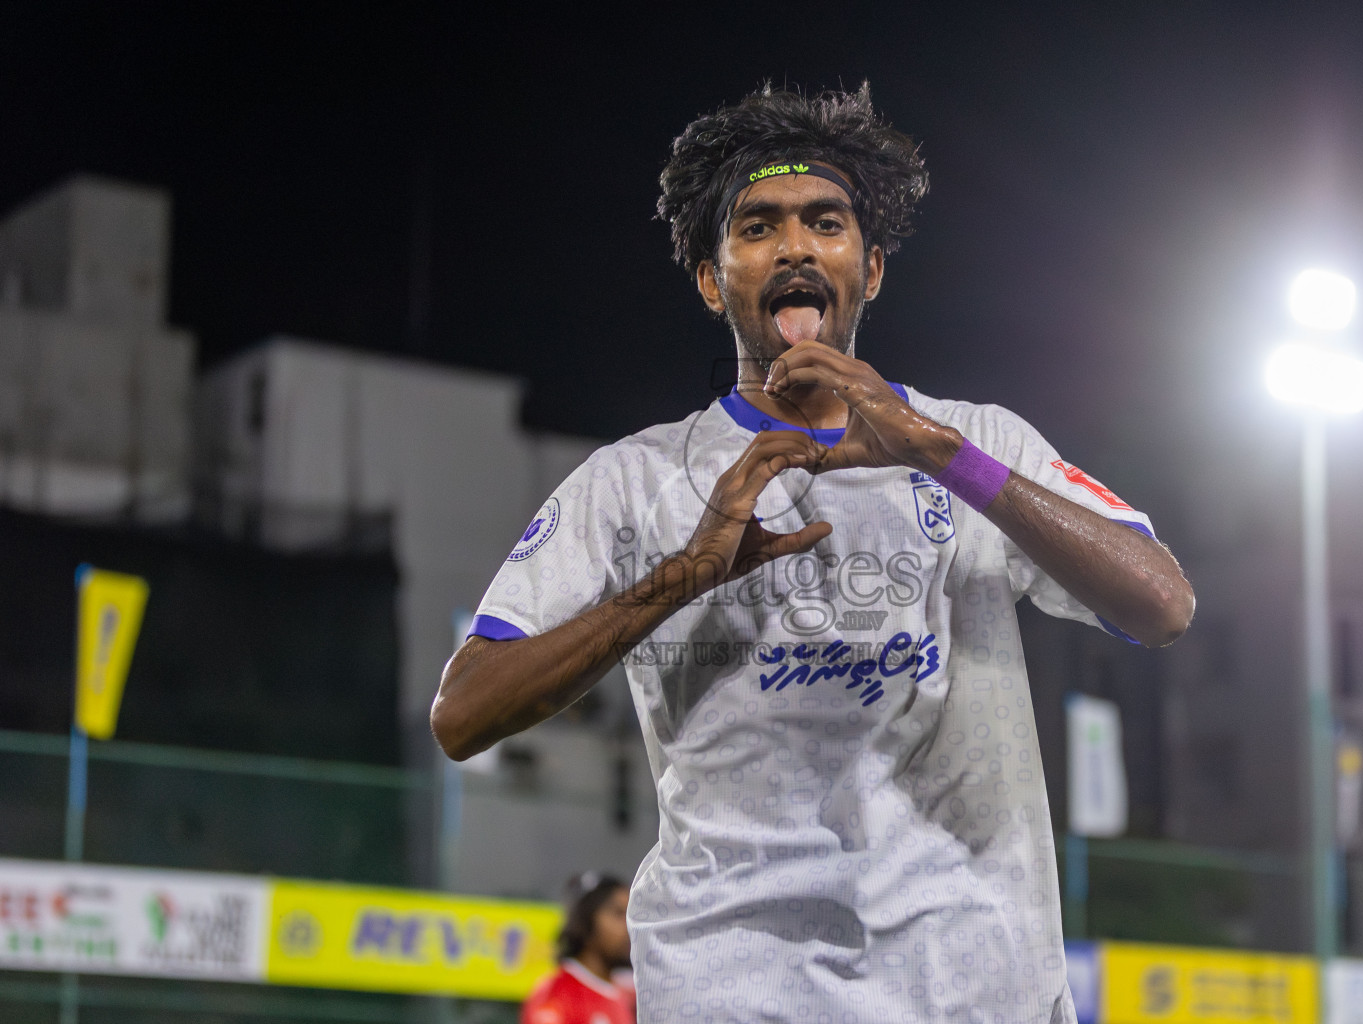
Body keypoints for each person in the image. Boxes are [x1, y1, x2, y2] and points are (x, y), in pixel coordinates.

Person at [431, 84, 1194, 1024]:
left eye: (824, 222)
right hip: (737, 985)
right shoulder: (631, 480)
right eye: (757, 227)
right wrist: (684, 576)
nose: (794, 246)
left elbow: (1163, 605)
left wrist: (934, 453)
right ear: (714, 282)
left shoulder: (973, 439)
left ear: (869, 269)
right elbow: (462, 715)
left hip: (974, 981)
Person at [522, 873, 636, 1024]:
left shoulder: (630, 995)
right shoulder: (554, 996)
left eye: (631, 915)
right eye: (618, 914)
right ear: (585, 923)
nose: (629, 926)